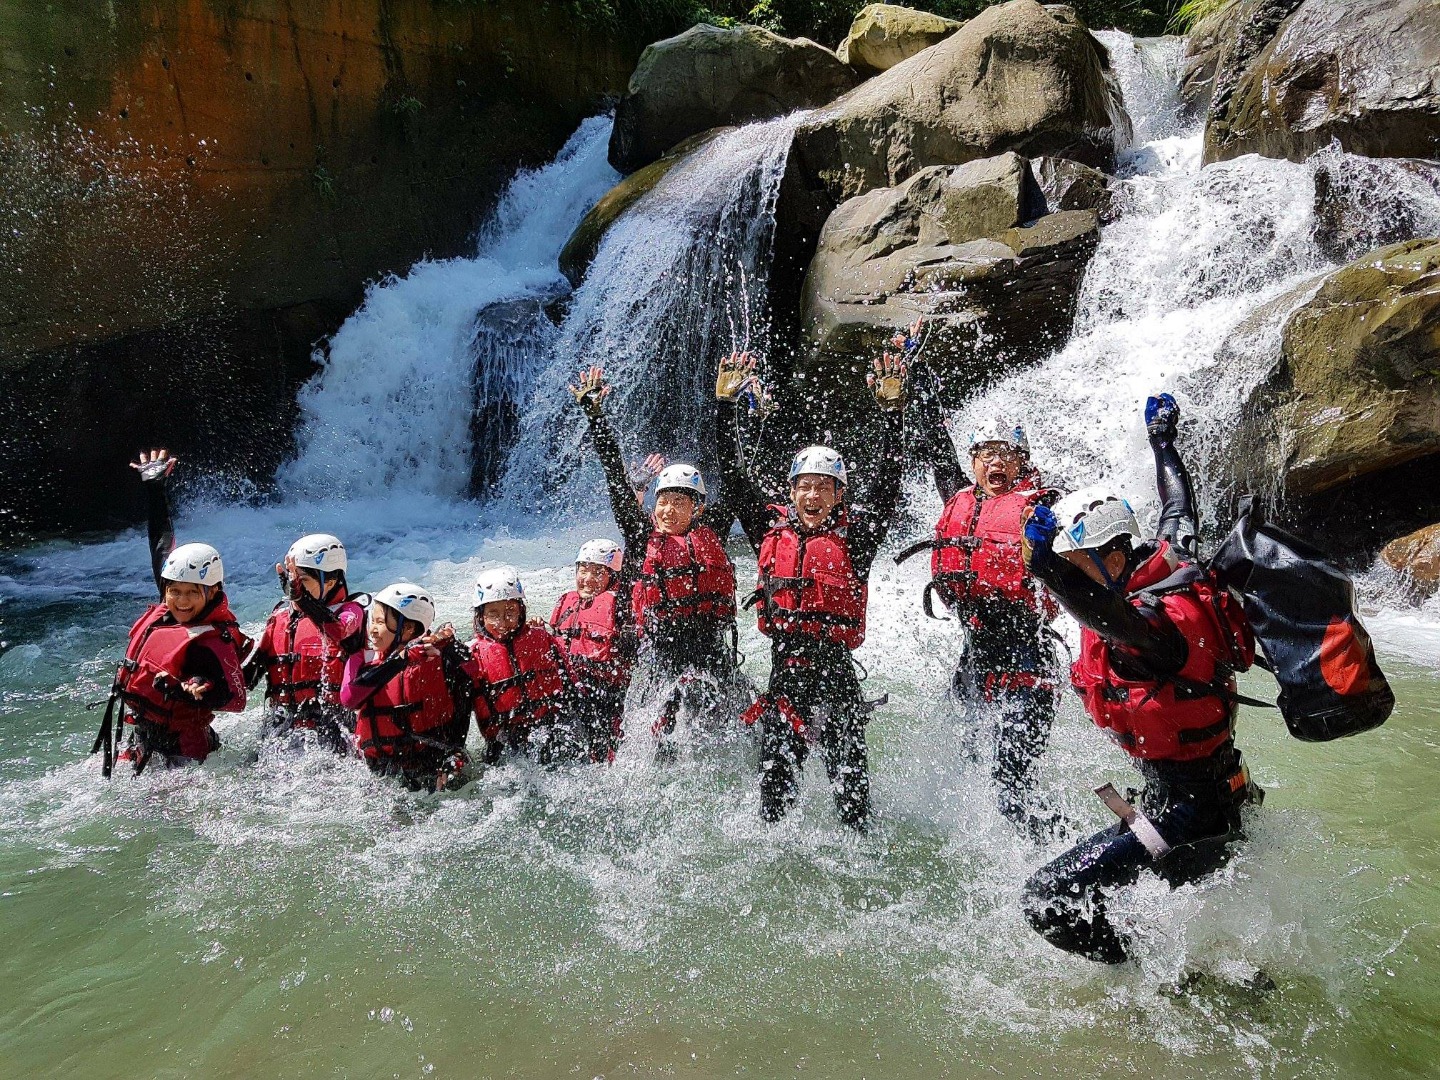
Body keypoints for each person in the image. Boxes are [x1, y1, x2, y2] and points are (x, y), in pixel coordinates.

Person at [1019, 394, 1261, 963]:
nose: (1073, 574)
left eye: (1078, 561)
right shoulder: (1169, 560)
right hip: (1205, 795)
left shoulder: (1153, 626)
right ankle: (1187, 983)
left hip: (1192, 813)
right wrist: (1163, 442)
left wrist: (1042, 563)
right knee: (1172, 926)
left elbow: (1105, 617)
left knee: (1045, 899)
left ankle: (1137, 987)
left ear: (1115, 559)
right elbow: (1179, 505)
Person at [715, 351, 908, 829]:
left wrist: (893, 415)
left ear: (839, 495)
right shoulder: (769, 529)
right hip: (785, 680)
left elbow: (888, 484)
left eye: (824, 487)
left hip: (836, 680)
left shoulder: (856, 540)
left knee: (854, 808)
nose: (813, 495)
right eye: (805, 486)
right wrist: (725, 408)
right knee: (772, 804)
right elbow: (735, 477)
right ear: (791, 491)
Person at [899, 417, 1063, 838]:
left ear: (1021, 462)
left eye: (1006, 453)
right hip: (975, 660)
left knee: (1012, 782)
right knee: (969, 761)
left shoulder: (1041, 512)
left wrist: (1046, 551)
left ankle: (1054, 847)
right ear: (972, 463)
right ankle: (991, 847)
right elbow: (937, 450)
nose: (996, 461)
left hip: (1029, 662)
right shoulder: (960, 499)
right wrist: (911, 389)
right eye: (985, 453)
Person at [569, 365, 742, 757]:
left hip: (710, 648)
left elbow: (734, 476)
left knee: (721, 735)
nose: (667, 510)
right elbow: (615, 477)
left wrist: (725, 406)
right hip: (661, 652)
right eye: (662, 501)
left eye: (678, 502)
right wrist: (596, 418)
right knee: (660, 738)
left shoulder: (712, 529)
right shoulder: (641, 534)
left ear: (697, 507)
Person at [92, 449, 248, 776]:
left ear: (213, 593)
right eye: (175, 591)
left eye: (193, 593)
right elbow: (161, 542)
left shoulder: (210, 638)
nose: (181, 601)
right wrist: (155, 487)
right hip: (141, 736)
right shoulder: (170, 604)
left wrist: (190, 689)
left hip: (185, 750)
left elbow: (218, 689)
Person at [340, 583, 472, 790]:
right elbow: (349, 698)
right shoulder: (360, 660)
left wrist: (455, 753)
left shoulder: (439, 659)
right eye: (372, 621)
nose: (372, 630)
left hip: (430, 764)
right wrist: (400, 660)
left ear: (408, 628)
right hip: (379, 771)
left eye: (380, 622)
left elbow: (466, 701)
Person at [245, 533, 366, 753]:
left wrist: (303, 600)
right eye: (291, 581)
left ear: (329, 581)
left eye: (302, 582)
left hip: (333, 730)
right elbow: (249, 678)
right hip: (281, 728)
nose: (294, 588)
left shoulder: (351, 613)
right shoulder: (280, 618)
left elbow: (338, 631)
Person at [469, 565, 580, 765]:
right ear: (481, 617)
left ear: (521, 611)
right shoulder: (473, 657)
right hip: (504, 741)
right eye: (493, 614)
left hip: (552, 727)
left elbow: (570, 682)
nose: (503, 621)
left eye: (510, 611)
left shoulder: (541, 639)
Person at [550, 539, 633, 761]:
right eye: (583, 570)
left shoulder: (622, 609)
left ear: (613, 577)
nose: (587, 579)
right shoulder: (566, 603)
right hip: (571, 692)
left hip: (607, 696)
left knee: (604, 754)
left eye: (598, 572)